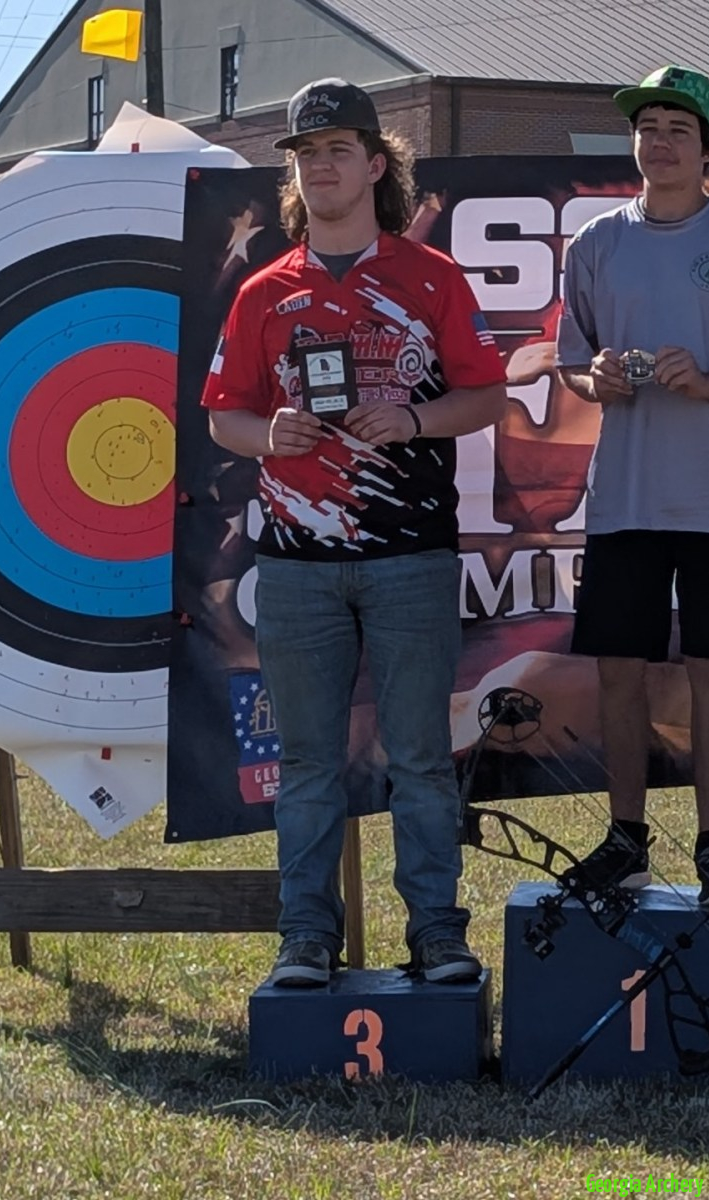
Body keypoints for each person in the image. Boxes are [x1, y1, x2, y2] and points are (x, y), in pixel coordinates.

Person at [202, 78, 508, 986]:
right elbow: (223, 416)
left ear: (377, 165)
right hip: (297, 566)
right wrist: (270, 434)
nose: (321, 167)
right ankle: (305, 937)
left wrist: (412, 420)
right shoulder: (264, 290)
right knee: (305, 763)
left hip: (410, 557)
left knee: (420, 759)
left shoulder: (432, 276)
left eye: (338, 149)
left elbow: (488, 397)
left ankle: (438, 934)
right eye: (306, 154)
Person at [555, 66, 709, 907]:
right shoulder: (594, 244)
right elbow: (571, 364)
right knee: (620, 670)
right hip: (624, 496)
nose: (658, 142)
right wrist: (595, 380)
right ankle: (626, 840)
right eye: (647, 126)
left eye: (677, 129)